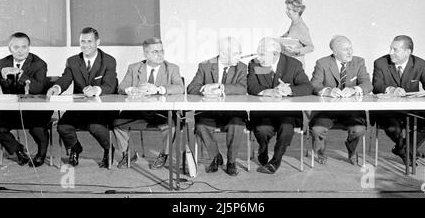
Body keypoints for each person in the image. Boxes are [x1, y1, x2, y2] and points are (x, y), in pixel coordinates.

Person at [46, 27, 118, 168]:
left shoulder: (109, 60)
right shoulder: (72, 61)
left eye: (89, 41)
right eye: (82, 41)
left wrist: (96, 89)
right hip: (79, 108)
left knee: (95, 127)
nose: (86, 45)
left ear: (98, 42)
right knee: (63, 127)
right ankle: (75, 147)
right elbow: (65, 79)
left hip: (101, 108)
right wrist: (56, 88)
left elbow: (110, 85)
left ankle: (109, 149)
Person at [113, 37, 184, 169]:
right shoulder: (134, 68)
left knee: (172, 125)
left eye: (162, 51)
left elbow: (180, 87)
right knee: (117, 124)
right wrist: (131, 89)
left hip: (160, 112)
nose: (160, 54)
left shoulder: (172, 68)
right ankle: (130, 154)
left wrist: (158, 89)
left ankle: (164, 154)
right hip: (137, 111)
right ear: (146, 54)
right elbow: (121, 87)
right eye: (155, 52)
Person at [372, 35, 425, 165]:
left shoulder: (419, 64)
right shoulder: (380, 63)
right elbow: (376, 86)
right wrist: (391, 90)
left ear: (408, 52)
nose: (390, 52)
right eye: (390, 48)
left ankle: (403, 149)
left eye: (395, 49)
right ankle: (406, 151)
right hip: (387, 110)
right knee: (393, 128)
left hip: (410, 109)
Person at [247, 37, 313, 174]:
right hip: (263, 112)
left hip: (287, 113)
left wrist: (290, 90)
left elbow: (307, 86)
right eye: (258, 54)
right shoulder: (255, 64)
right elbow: (251, 86)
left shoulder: (293, 64)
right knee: (262, 130)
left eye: (263, 55)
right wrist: (267, 91)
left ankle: (275, 161)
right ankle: (263, 149)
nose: (259, 58)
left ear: (276, 54)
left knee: (287, 127)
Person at [187, 37, 247, 176]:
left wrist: (221, 87)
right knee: (201, 125)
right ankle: (215, 156)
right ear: (224, 54)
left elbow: (243, 88)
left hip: (233, 113)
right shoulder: (205, 65)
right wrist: (205, 89)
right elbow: (192, 88)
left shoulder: (241, 67)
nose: (240, 56)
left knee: (237, 125)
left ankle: (231, 162)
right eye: (237, 53)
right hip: (209, 112)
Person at [309, 35, 373, 165]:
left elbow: (368, 84)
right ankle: (320, 153)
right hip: (326, 112)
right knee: (317, 130)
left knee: (359, 129)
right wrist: (328, 91)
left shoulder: (358, 62)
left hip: (351, 112)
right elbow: (314, 85)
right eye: (345, 49)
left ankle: (352, 151)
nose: (350, 52)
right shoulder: (322, 63)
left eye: (351, 48)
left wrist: (355, 89)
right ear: (334, 51)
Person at [0, 32, 50, 167]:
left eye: (24, 47)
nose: (20, 51)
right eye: (16, 47)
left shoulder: (39, 64)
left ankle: (41, 155)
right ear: (9, 48)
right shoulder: (0, 64)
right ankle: (18, 150)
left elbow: (37, 88)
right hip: (11, 112)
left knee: (38, 129)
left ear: (29, 47)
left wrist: (21, 74)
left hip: (35, 111)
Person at [280, 0, 314, 68]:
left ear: (296, 11)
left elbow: (311, 47)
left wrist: (296, 51)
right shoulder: (294, 24)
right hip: (288, 64)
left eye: (289, 9)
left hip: (296, 66)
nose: (286, 11)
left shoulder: (301, 27)